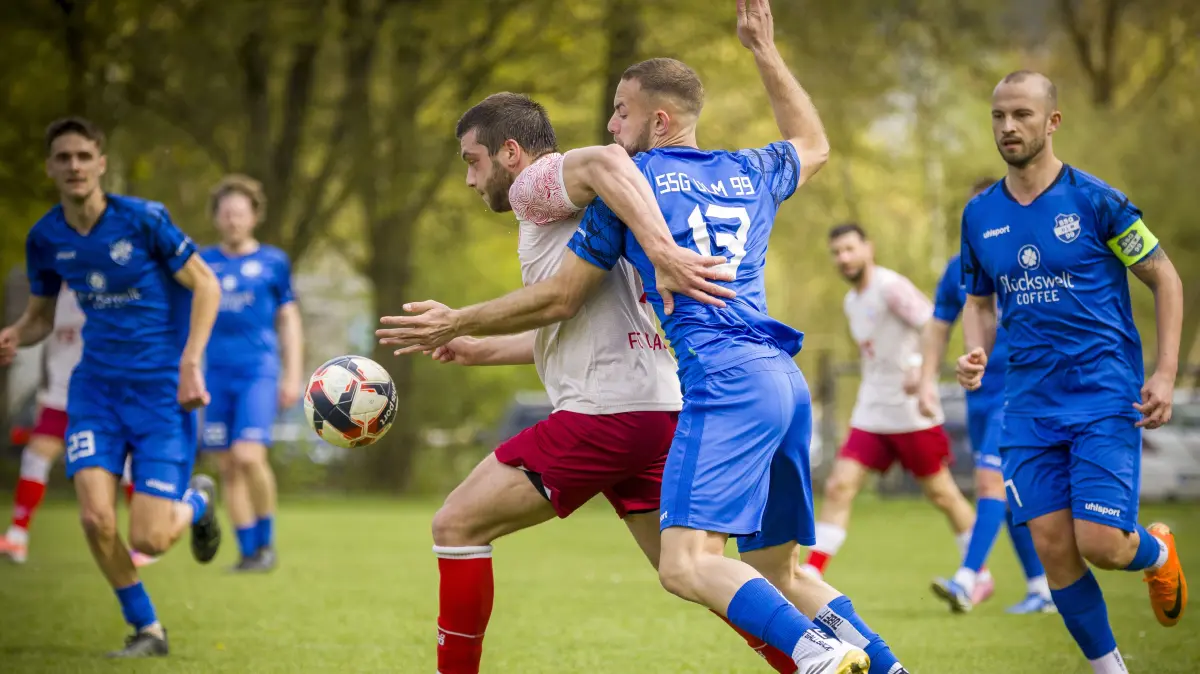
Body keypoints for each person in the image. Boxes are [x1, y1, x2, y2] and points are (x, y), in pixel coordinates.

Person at [378, 3, 910, 673]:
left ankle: (813, 651)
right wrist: (763, 51)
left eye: (621, 112)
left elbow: (564, 290)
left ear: (657, 120)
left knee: (461, 526)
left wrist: (464, 316)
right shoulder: (745, 172)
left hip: (693, 392)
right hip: (768, 378)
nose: (609, 125)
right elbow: (814, 143)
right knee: (762, 575)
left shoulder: (613, 189)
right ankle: (884, 668)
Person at [386, 91, 804, 674]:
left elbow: (609, 160)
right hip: (658, 413)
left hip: (606, 416)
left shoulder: (536, 185)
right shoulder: (601, 209)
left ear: (511, 153)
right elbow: (589, 329)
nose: (468, 179)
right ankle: (816, 656)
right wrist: (479, 347)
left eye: (472, 160)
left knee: (455, 524)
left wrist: (663, 252)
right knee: (698, 576)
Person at [957, 70, 1186, 672]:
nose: (1008, 127)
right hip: (1028, 407)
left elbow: (1165, 277)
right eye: (999, 116)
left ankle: (1157, 553)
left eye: (1022, 115)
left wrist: (1164, 373)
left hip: (1104, 395)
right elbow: (979, 300)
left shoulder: (1095, 200)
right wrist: (975, 348)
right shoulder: (979, 215)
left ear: (1052, 122)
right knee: (1054, 547)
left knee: (1103, 544)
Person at [0, 117, 223, 658]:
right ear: (51, 167)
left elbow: (206, 284)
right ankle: (147, 628)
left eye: (83, 156)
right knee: (96, 518)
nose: (74, 166)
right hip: (95, 392)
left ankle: (196, 501)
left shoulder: (143, 220)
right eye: (63, 158)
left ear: (100, 162)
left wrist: (191, 361)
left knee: (148, 537)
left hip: (160, 396)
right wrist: (12, 336)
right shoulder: (46, 237)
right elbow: (40, 319)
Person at [801, 224, 977, 587]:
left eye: (850, 249)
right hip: (873, 411)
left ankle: (977, 571)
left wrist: (919, 370)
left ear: (869, 248)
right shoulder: (852, 301)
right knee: (839, 486)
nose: (843, 258)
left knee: (942, 493)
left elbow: (933, 323)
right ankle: (812, 573)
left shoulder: (891, 288)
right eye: (836, 252)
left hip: (910, 411)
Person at [922, 178, 1055, 615]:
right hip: (978, 395)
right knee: (1010, 493)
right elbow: (939, 324)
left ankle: (967, 579)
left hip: (1019, 391)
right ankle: (1041, 588)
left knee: (989, 484)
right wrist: (926, 380)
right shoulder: (957, 267)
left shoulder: (1029, 261)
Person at [199, 174, 302, 572]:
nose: (233, 220)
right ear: (217, 218)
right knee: (226, 464)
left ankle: (266, 545)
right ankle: (247, 554)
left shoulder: (273, 262)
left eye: (240, 213)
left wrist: (292, 375)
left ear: (254, 216)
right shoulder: (203, 262)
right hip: (215, 375)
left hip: (258, 372)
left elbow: (289, 320)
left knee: (248, 455)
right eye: (226, 213)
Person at [0, 284, 84, 564]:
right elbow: (45, 332)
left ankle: (144, 545)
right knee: (35, 457)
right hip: (59, 395)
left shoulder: (104, 283)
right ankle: (17, 536)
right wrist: (16, 337)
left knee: (126, 464)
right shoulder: (52, 291)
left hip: (99, 394)